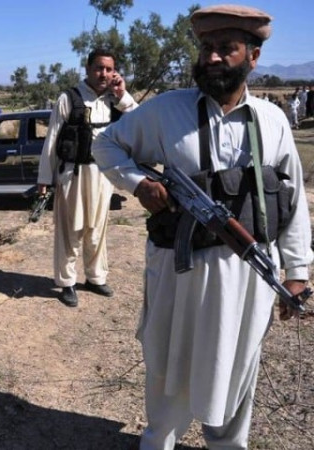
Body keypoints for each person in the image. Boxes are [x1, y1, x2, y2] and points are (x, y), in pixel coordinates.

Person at [92, 5, 312, 449]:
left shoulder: (272, 122)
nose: (212, 57)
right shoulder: (166, 111)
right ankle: (159, 440)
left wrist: (297, 272)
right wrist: (139, 185)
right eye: (206, 47)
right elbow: (106, 144)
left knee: (236, 370)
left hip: (248, 277)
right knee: (168, 367)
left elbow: (292, 204)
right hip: (181, 272)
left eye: (226, 48)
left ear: (253, 57)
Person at [37, 49, 138, 307]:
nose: (103, 74)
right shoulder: (69, 98)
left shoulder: (114, 100)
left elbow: (139, 122)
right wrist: (44, 179)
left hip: (102, 175)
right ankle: (67, 282)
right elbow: (52, 140)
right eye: (99, 68)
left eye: (109, 69)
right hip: (73, 173)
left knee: (96, 229)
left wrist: (122, 94)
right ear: (88, 69)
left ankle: (95, 277)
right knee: (71, 230)